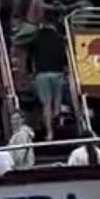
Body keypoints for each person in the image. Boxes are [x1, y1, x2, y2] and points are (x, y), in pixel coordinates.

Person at [31, 10, 70, 140]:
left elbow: (31, 57)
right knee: (57, 101)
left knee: (46, 104)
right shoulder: (59, 38)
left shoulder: (36, 37)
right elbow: (65, 58)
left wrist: (30, 73)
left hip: (42, 73)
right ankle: (57, 119)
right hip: (57, 72)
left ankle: (49, 132)